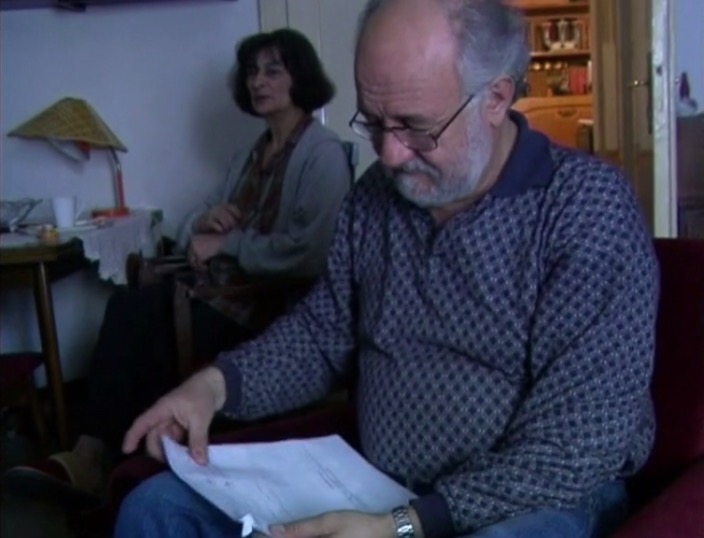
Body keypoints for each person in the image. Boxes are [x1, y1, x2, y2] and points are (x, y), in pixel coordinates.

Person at [115, 1, 659, 537]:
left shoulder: (585, 207)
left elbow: (577, 444)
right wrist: (213, 387)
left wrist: (402, 526)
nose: (391, 155)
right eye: (374, 123)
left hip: (535, 498)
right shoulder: (375, 196)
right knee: (155, 510)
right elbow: (321, 335)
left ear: (495, 98)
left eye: (415, 127)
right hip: (380, 487)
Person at [5, 28, 351, 507]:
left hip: (265, 308)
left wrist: (228, 242)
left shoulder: (322, 153)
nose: (258, 81)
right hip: (214, 294)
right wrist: (205, 223)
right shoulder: (250, 155)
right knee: (131, 311)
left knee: (139, 321)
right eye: (252, 72)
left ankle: (100, 463)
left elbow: (311, 252)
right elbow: (192, 228)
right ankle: (100, 463)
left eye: (273, 70)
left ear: (301, 78)